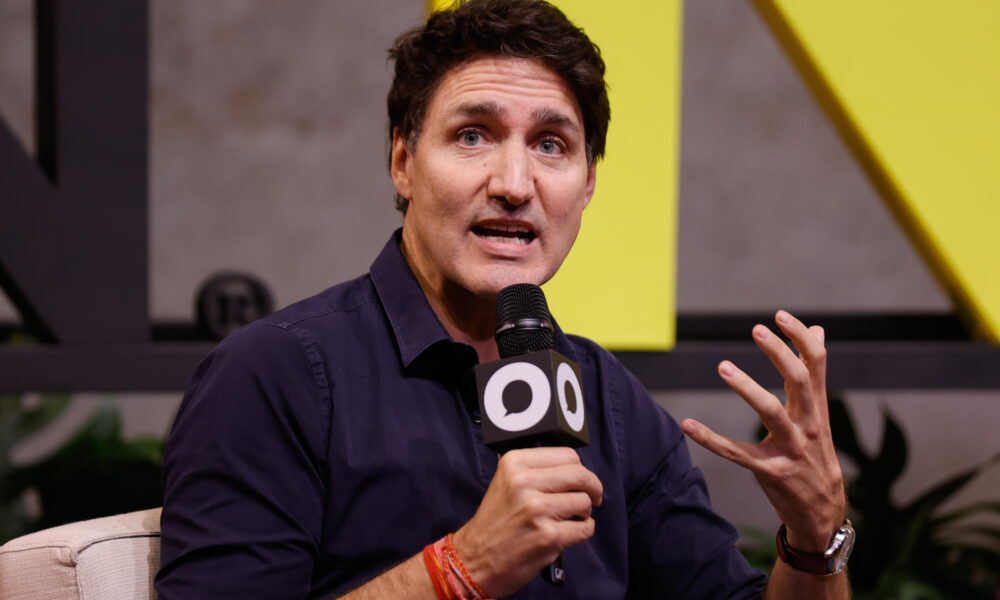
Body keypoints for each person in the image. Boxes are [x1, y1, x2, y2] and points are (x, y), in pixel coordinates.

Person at [156, 1, 849, 598]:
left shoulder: (608, 398)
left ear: (586, 186)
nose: (514, 183)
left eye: (551, 144)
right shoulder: (278, 375)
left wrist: (815, 542)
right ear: (403, 161)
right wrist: (462, 569)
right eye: (473, 136)